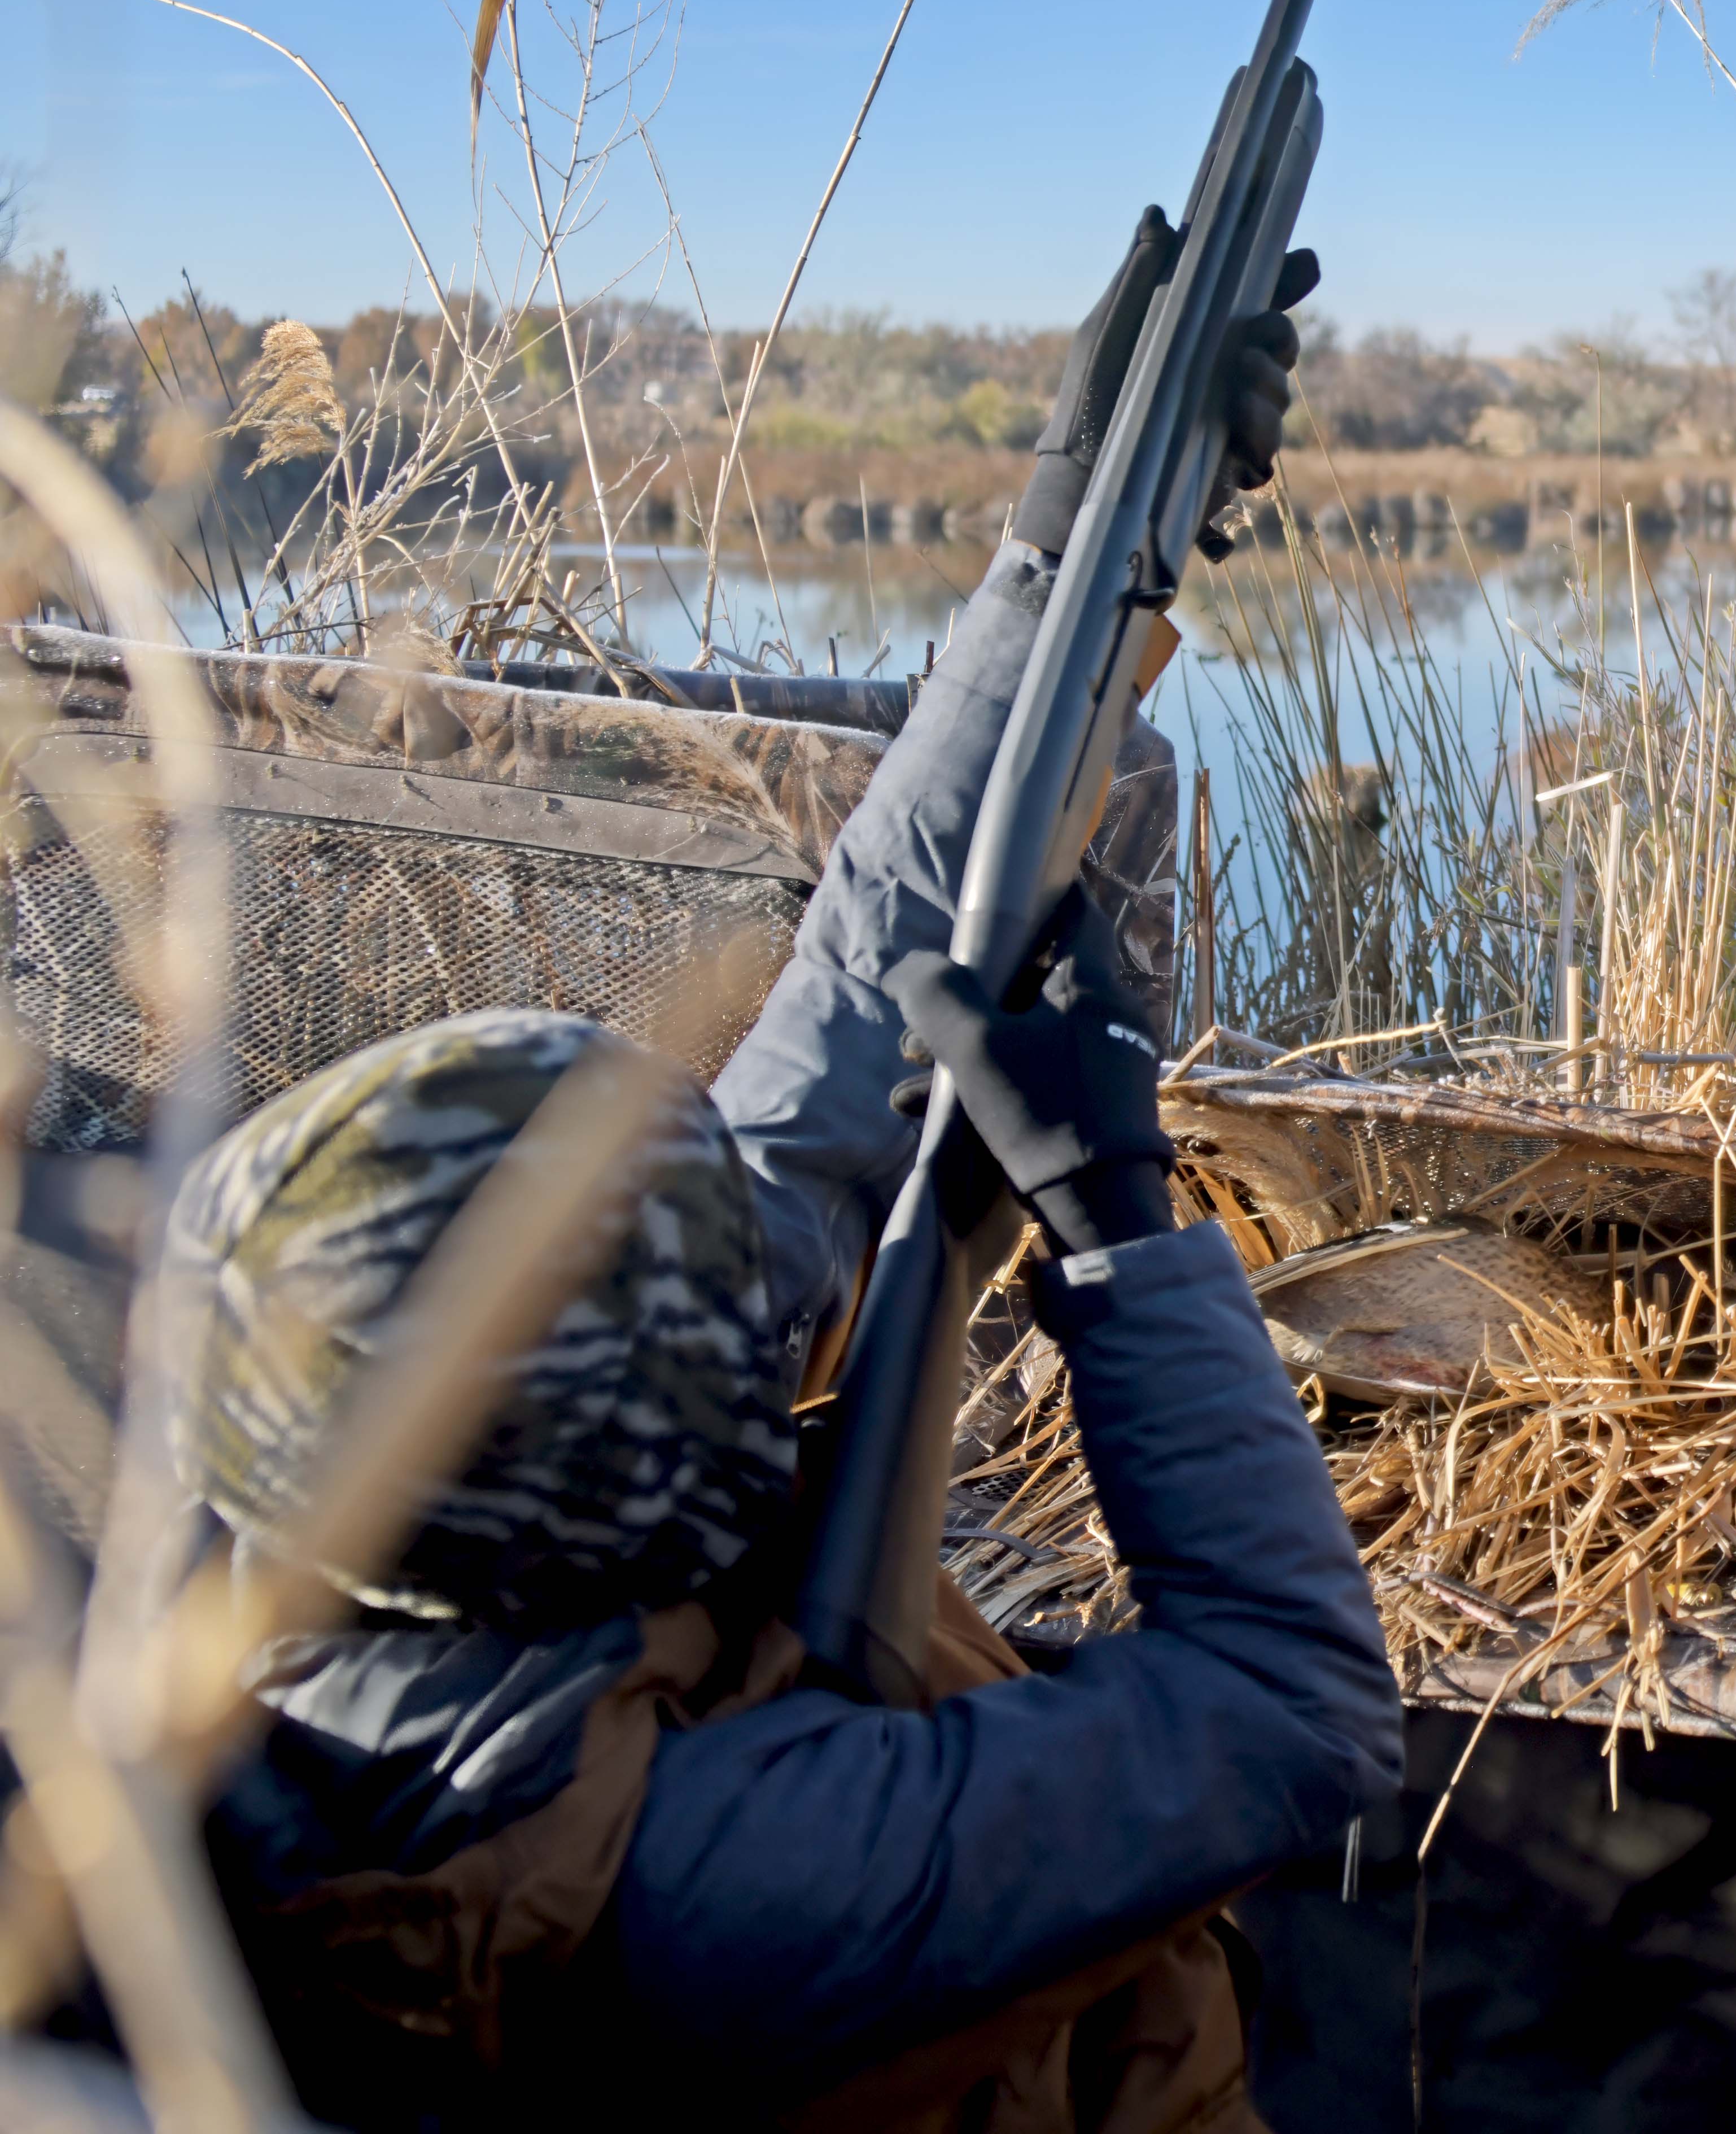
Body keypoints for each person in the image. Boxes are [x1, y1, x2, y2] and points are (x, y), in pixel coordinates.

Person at [177, 211, 1403, 2132]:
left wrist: (1064, 547)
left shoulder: (340, 1466)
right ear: (662, 1490)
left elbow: (842, 1025)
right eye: (739, 1310)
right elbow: (1291, 1705)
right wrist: (1119, 1246)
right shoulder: (702, 1895)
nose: (771, 1239)